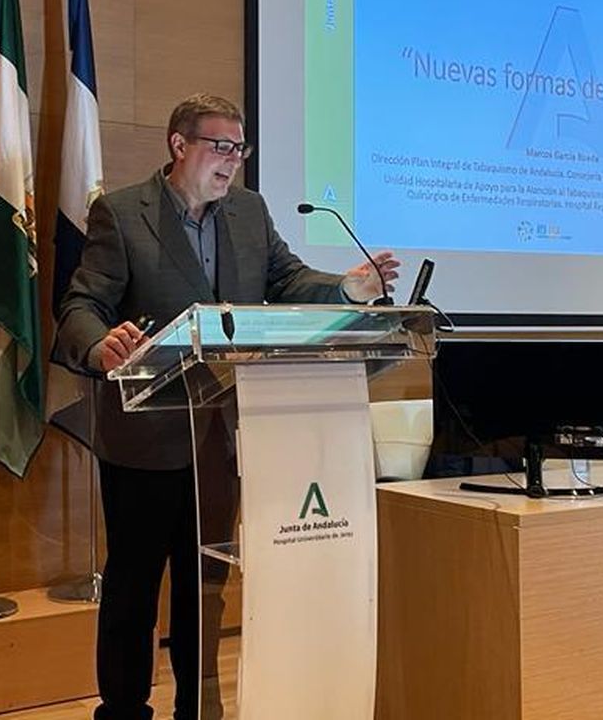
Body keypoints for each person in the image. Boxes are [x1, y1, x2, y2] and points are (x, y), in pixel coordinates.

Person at [52, 93, 398, 720]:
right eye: (220, 146)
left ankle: (199, 707)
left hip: (227, 436)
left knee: (202, 583)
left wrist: (349, 286)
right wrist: (100, 345)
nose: (232, 161)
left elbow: (288, 281)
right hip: (146, 437)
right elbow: (81, 305)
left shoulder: (249, 212)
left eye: (240, 149)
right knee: (134, 583)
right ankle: (125, 708)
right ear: (178, 145)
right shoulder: (123, 214)